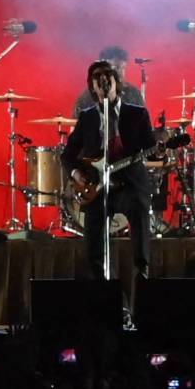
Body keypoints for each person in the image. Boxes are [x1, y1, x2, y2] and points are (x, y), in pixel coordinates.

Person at [62, 59, 159, 282]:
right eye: (97, 78)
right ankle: (111, 294)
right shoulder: (87, 117)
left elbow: (151, 148)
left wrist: (160, 151)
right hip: (97, 186)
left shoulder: (137, 114)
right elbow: (67, 154)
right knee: (94, 247)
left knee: (139, 208)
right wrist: (78, 176)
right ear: (93, 87)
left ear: (116, 82)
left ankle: (142, 274)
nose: (103, 80)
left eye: (107, 76)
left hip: (130, 184)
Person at [73, 45, 148, 114]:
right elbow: (76, 123)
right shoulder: (88, 96)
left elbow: (143, 123)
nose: (121, 72)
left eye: (123, 68)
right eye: (116, 67)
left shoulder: (134, 94)